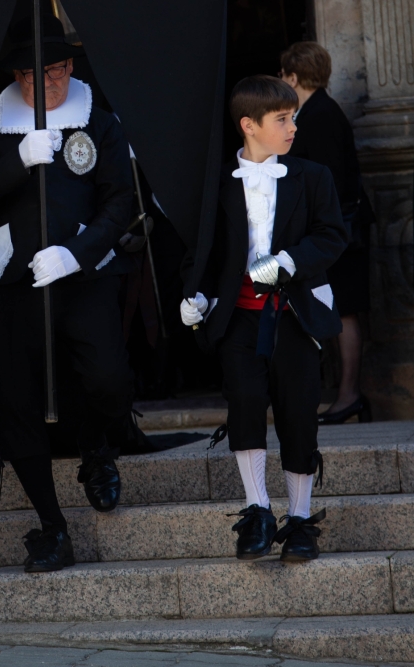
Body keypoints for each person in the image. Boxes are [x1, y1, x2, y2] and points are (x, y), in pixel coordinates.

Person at [0, 15, 134, 574]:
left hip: (82, 274)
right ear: (15, 77)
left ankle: (98, 448)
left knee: (104, 374)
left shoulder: (98, 123)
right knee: (14, 400)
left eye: (55, 70)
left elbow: (121, 203)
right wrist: (18, 161)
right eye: (33, 74)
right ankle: (51, 524)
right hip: (10, 281)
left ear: (70, 67)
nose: (46, 81)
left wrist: (76, 254)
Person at [181, 76, 347, 563]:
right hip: (239, 318)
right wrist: (196, 298)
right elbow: (202, 253)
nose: (293, 126)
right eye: (283, 119)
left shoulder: (313, 176)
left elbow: (333, 235)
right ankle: (257, 511)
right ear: (248, 126)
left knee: (298, 412)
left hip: (294, 315)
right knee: (246, 403)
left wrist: (290, 260)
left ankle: (299, 519)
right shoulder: (214, 186)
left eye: (293, 116)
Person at [280, 41, 375, 423]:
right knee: (339, 308)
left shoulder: (319, 115)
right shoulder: (316, 111)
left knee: (346, 311)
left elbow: (327, 181)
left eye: (284, 75)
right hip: (337, 228)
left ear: (293, 76)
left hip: (341, 230)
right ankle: (347, 395)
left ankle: (350, 395)